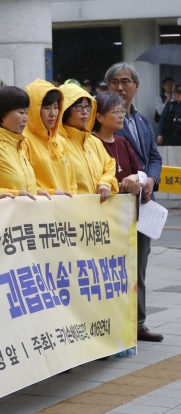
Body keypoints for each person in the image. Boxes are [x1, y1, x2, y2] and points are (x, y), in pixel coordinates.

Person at [106, 62, 163, 342]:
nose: (120, 87)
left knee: (140, 264)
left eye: (126, 81)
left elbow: (154, 157)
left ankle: (138, 324)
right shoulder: (103, 122)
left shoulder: (142, 121)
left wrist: (151, 180)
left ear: (136, 87)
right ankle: (118, 325)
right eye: (115, 82)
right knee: (118, 267)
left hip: (144, 202)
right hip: (119, 204)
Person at [0, 86, 51, 200]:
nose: (25, 118)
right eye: (21, 112)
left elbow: (22, 185)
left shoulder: (19, 145)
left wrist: (38, 192)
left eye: (26, 113)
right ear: (3, 113)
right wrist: (14, 195)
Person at [58, 83, 118, 201]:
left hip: (97, 214)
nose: (85, 111)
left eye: (87, 106)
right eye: (79, 107)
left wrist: (105, 183)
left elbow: (109, 165)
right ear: (64, 109)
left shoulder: (94, 141)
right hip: (71, 212)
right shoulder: (56, 143)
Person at [24, 79, 76, 196]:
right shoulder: (23, 140)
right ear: (33, 110)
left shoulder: (61, 141)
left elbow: (72, 182)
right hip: (41, 208)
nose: (53, 113)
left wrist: (73, 202)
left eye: (56, 107)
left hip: (65, 209)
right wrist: (51, 193)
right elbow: (24, 183)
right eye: (47, 108)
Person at [91, 91, 142, 195]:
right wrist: (123, 188)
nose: (121, 116)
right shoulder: (90, 142)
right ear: (99, 117)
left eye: (122, 111)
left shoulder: (122, 142)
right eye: (116, 112)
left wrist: (135, 177)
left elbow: (140, 172)